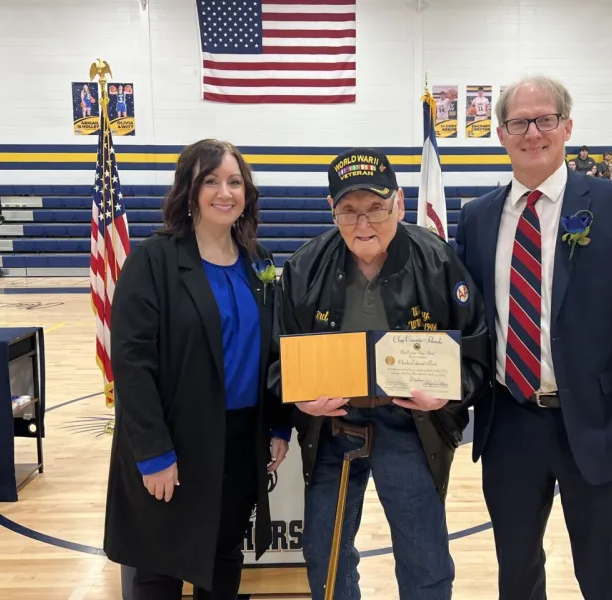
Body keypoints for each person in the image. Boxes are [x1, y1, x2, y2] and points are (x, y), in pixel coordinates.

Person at [455, 75, 612, 600]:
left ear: (567, 127)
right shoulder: (478, 217)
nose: (532, 132)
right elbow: (470, 325)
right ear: (501, 134)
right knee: (516, 576)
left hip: (604, 426)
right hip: (510, 422)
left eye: (545, 119)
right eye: (518, 122)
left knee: (608, 579)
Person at [275, 147, 490, 600]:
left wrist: (447, 396)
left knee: (424, 557)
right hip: (334, 426)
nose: (363, 224)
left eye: (376, 207)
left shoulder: (438, 262)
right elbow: (277, 359)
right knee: (325, 553)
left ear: (400, 203)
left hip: (410, 425)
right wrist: (298, 397)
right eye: (349, 211)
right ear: (330, 211)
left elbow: (475, 353)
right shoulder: (304, 268)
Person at [103, 139, 292, 600]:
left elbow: (276, 351)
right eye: (211, 181)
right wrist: (153, 453)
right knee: (159, 566)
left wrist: (279, 423)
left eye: (234, 181)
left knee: (224, 554)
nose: (224, 192)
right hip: (174, 440)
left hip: (240, 439)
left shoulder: (259, 261)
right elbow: (132, 362)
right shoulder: (154, 261)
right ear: (189, 190)